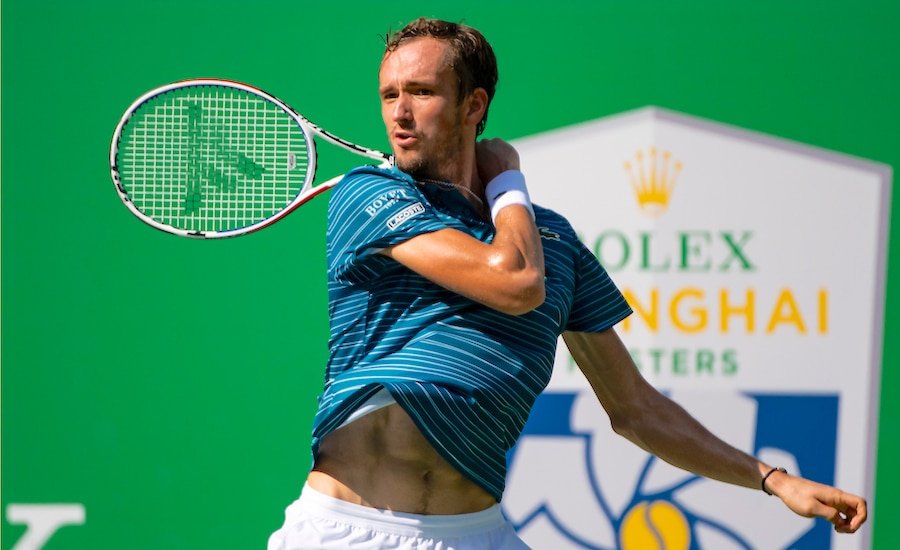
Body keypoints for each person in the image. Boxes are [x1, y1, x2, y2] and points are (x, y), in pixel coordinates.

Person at [269, 17, 867, 549]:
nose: (399, 113)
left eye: (421, 93)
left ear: (474, 105)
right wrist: (508, 184)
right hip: (346, 530)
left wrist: (774, 480)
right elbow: (516, 282)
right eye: (389, 95)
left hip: (478, 532)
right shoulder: (369, 194)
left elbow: (635, 409)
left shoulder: (551, 240)